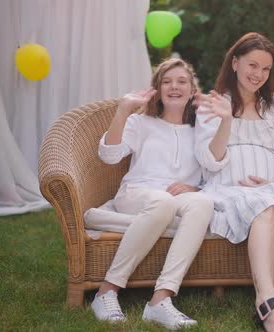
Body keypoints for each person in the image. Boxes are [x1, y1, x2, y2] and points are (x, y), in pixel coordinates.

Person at [195, 32, 274, 332]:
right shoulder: (213, 105)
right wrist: (226, 121)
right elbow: (209, 160)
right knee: (265, 202)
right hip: (227, 188)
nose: (258, 75)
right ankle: (265, 303)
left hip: (269, 185)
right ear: (235, 63)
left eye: (265, 69)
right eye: (252, 65)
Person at [85, 58, 213, 329]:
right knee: (163, 202)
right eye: (166, 82)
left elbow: (213, 169)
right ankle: (106, 291)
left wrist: (195, 187)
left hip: (178, 197)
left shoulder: (200, 128)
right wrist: (123, 111)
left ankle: (160, 300)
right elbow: (108, 156)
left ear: (192, 90)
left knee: (202, 204)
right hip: (137, 191)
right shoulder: (141, 122)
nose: (174, 87)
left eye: (181, 81)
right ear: (156, 90)